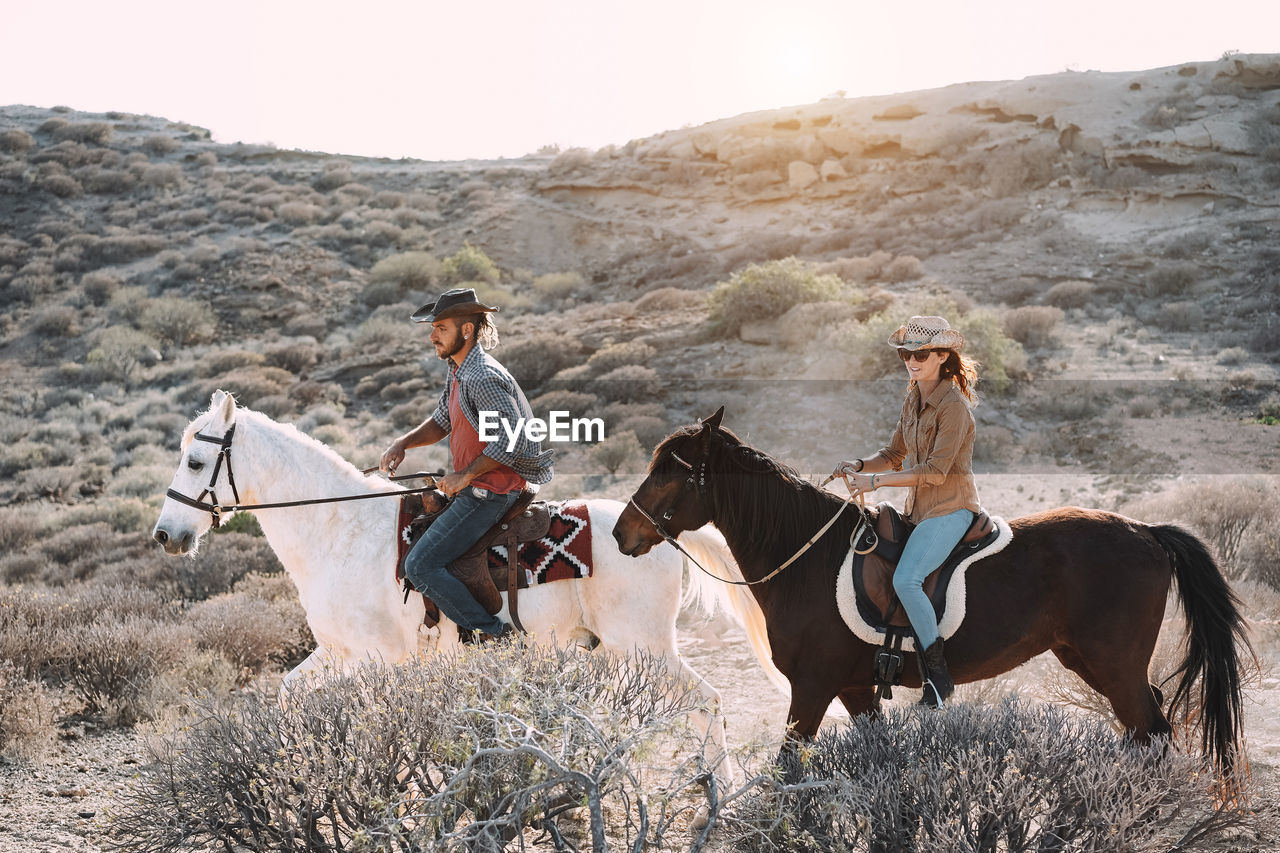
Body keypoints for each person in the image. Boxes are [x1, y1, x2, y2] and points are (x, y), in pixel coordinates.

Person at [381, 287, 553, 641]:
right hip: (479, 485)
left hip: (492, 491)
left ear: (466, 330)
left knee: (421, 565)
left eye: (440, 327)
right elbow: (442, 421)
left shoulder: (483, 376)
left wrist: (465, 476)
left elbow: (514, 439)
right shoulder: (459, 370)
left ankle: (494, 635)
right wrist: (404, 442)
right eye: (433, 328)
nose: (432, 336)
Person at [830, 315, 983, 708]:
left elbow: (934, 472)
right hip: (918, 511)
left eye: (920, 353)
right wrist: (860, 466)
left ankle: (937, 677)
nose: (911, 361)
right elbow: (895, 454)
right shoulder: (913, 395)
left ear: (942, 356)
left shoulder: (955, 407)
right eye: (905, 353)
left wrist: (875, 485)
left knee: (907, 580)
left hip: (950, 510)